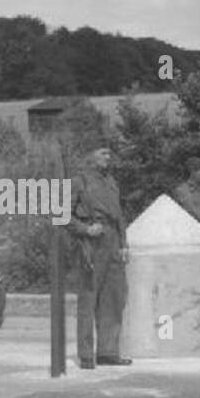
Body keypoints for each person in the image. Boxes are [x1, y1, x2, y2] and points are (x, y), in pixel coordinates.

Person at [67, 145, 130, 368]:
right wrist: (84, 229)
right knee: (88, 298)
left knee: (113, 298)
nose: (108, 157)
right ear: (91, 156)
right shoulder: (78, 181)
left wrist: (123, 244)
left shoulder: (111, 182)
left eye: (109, 153)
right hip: (91, 243)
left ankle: (108, 351)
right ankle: (86, 355)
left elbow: (119, 216)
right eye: (103, 153)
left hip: (112, 242)